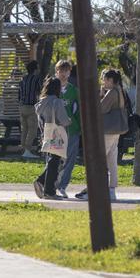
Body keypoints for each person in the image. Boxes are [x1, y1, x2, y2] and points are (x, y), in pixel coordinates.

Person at [95, 69, 129, 201]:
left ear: (110, 80)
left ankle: (99, 187)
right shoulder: (120, 90)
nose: (103, 82)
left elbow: (101, 108)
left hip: (108, 130)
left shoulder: (112, 92)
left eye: (104, 79)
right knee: (112, 160)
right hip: (116, 130)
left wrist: (101, 96)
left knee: (100, 159)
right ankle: (111, 189)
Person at [33, 77, 69, 199]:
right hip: (56, 134)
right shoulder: (57, 102)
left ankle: (42, 182)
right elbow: (63, 120)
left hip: (46, 134)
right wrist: (69, 121)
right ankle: (49, 190)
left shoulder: (41, 102)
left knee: (52, 159)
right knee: (55, 160)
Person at [54, 60, 82, 197]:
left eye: (66, 71)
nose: (63, 74)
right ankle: (51, 184)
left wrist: (80, 128)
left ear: (69, 72)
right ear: (56, 72)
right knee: (55, 159)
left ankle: (62, 186)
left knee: (70, 159)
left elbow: (79, 111)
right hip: (55, 131)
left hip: (72, 130)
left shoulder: (74, 91)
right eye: (61, 71)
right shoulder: (51, 89)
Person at [17, 60, 42, 159]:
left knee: (24, 129)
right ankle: (28, 150)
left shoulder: (22, 79)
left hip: (22, 106)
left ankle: (23, 149)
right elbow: (41, 91)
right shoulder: (36, 79)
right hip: (32, 107)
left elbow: (19, 94)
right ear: (35, 69)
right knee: (32, 129)